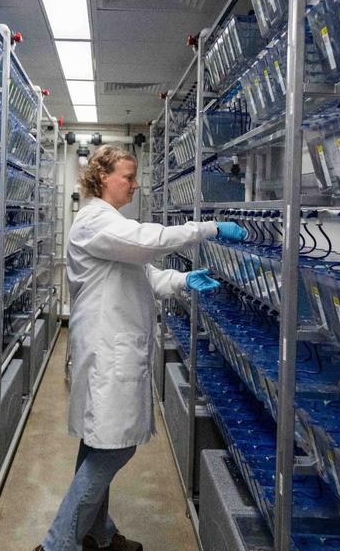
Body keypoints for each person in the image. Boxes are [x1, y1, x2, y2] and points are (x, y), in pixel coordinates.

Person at [35, 145, 247, 551]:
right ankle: (57, 544)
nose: (134, 185)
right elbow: (150, 242)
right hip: (107, 350)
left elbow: (144, 274)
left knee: (100, 443)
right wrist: (208, 228)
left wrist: (183, 281)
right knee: (114, 448)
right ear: (101, 178)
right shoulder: (96, 222)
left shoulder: (112, 226)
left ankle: (100, 533)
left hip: (113, 347)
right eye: (127, 177)